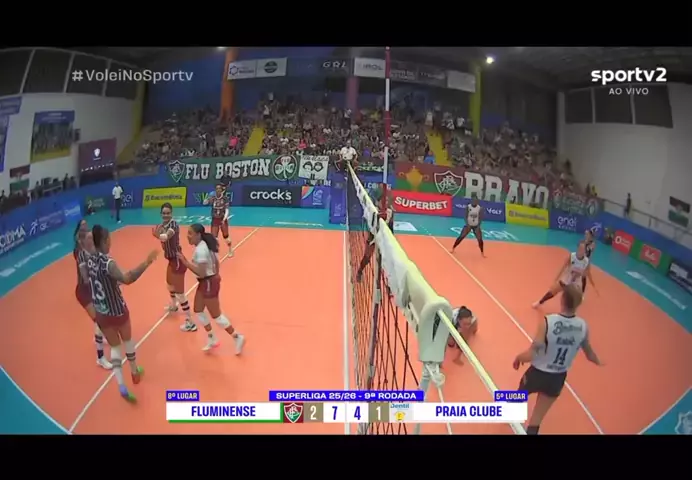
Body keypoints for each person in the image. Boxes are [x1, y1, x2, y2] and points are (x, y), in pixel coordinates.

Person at [513, 284, 604, 434]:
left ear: (562, 300)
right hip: (557, 378)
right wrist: (600, 362)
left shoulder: (548, 322)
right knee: (537, 419)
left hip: (537, 373)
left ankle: (508, 413)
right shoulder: (583, 326)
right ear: (579, 303)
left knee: (518, 396)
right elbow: (590, 355)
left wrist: (518, 357)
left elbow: (533, 353)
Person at [87, 225, 158, 402]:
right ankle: (134, 372)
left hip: (101, 312)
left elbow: (98, 281)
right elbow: (127, 278)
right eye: (109, 239)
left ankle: (121, 385)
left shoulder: (90, 260)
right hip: (117, 310)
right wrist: (147, 262)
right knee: (127, 341)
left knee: (115, 347)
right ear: (105, 241)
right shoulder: (108, 263)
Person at [177, 224, 245, 353]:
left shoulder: (201, 251)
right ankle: (212, 337)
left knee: (216, 316)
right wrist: (215, 275)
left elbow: (201, 273)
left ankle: (237, 337)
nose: (188, 236)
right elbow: (217, 263)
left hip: (208, 282)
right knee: (198, 310)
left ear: (198, 235)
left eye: (190, 233)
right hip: (207, 282)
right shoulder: (205, 245)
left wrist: (185, 262)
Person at [74, 220, 112, 370]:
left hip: (93, 289)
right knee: (99, 320)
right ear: (82, 240)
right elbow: (85, 278)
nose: (91, 240)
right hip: (84, 292)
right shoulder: (81, 255)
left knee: (100, 319)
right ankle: (100, 358)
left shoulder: (93, 252)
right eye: (89, 238)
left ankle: (99, 337)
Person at [153, 202, 196, 332]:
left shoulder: (173, 225)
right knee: (169, 285)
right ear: (161, 214)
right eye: (164, 213)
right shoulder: (162, 225)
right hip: (171, 261)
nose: (166, 215)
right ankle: (174, 305)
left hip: (177, 261)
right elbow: (160, 233)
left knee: (180, 293)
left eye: (168, 213)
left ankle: (190, 322)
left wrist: (157, 235)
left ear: (171, 213)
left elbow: (166, 237)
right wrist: (158, 232)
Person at [532, 241, 597, 308]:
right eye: (580, 248)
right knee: (553, 291)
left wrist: (579, 273)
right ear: (577, 248)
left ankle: (570, 311)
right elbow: (563, 268)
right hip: (566, 279)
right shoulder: (572, 256)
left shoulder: (586, 261)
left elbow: (586, 273)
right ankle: (540, 302)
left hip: (575, 283)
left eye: (583, 249)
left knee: (573, 299)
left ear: (585, 250)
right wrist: (556, 279)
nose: (581, 250)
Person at [356, 188, 393, 283]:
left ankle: (387, 285)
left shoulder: (390, 212)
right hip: (373, 236)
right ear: (378, 201)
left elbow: (391, 228)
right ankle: (360, 271)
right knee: (367, 257)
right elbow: (370, 224)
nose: (385, 203)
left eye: (387, 201)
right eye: (383, 201)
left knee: (386, 262)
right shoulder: (373, 210)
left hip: (384, 238)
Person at [204, 183, 233, 256]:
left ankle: (230, 250)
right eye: (217, 188)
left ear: (221, 190)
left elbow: (227, 210)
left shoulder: (225, 198)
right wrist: (207, 200)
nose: (218, 190)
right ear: (215, 190)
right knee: (214, 238)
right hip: (214, 220)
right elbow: (205, 203)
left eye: (219, 188)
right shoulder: (212, 198)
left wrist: (224, 218)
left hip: (222, 220)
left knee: (226, 237)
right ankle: (214, 253)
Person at [582, 229, 596, 293]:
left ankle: (582, 292)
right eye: (585, 234)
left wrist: (588, 262)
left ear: (590, 235)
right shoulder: (584, 241)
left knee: (584, 276)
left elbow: (590, 253)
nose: (585, 235)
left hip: (586, 260)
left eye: (587, 234)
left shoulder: (592, 243)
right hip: (581, 258)